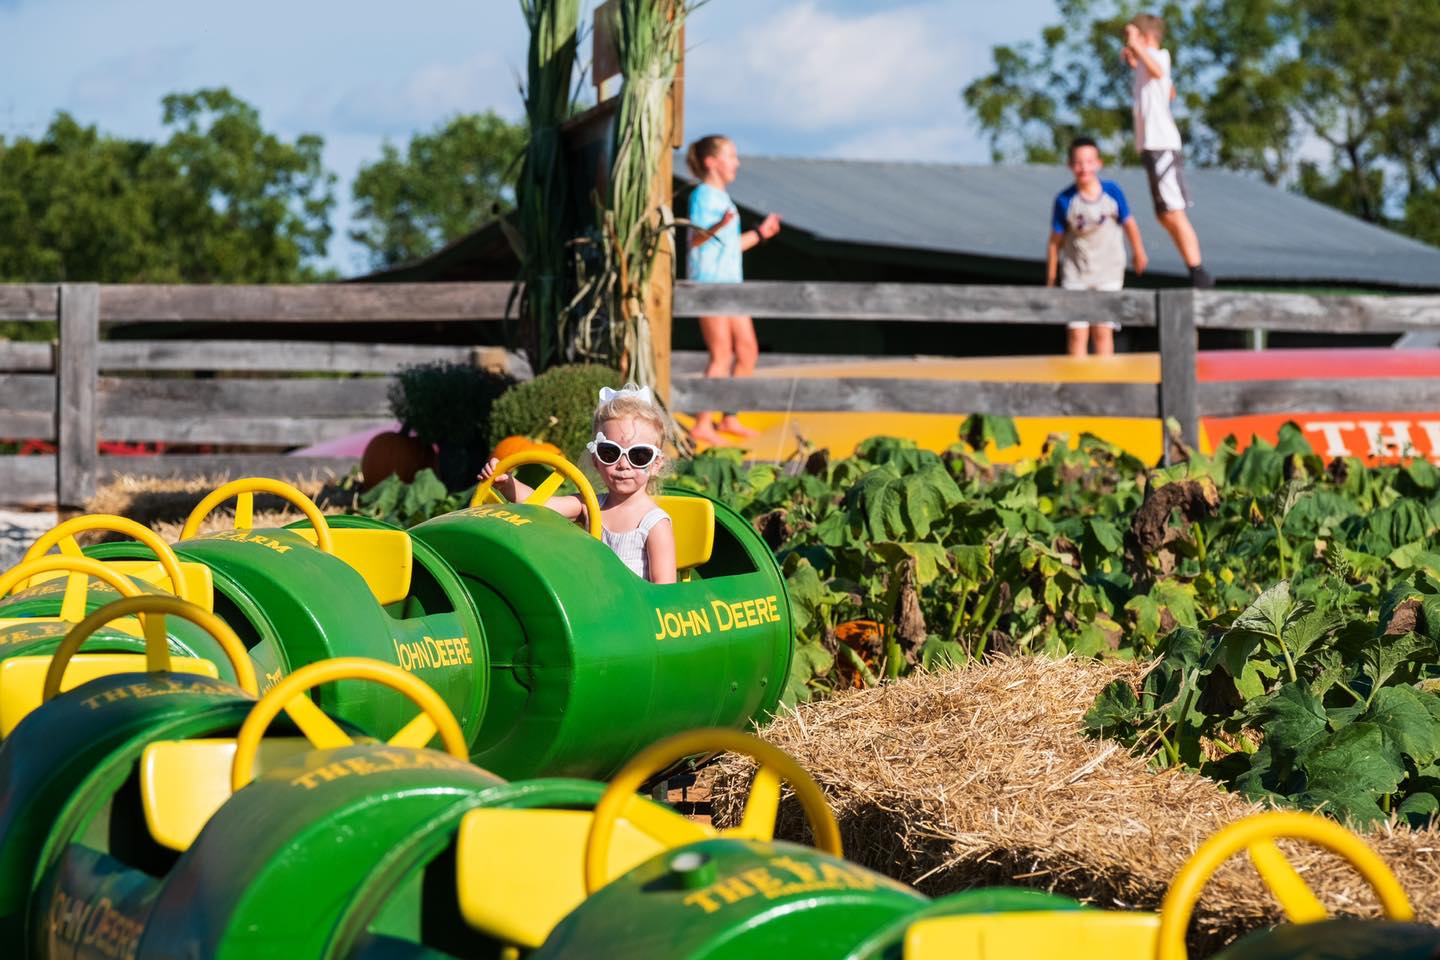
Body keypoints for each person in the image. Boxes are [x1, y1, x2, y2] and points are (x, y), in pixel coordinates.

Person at [479, 384, 677, 584]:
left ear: (655, 464)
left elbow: (664, 591)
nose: (623, 464)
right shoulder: (589, 505)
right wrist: (507, 483)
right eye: (610, 453)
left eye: (639, 455)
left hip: (633, 603)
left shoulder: (653, 523)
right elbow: (537, 503)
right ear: (596, 460)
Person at [685, 134, 781, 446]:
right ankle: (702, 424)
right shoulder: (702, 195)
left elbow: (729, 246)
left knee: (748, 349)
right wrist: (718, 225)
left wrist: (761, 234)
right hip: (710, 283)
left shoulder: (724, 200)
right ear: (711, 162)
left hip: (731, 284)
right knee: (721, 353)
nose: (736, 162)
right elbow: (696, 239)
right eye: (731, 156)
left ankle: (729, 416)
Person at [1123, 13, 1213, 288]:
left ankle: (1198, 272)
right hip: (1152, 145)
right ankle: (1194, 268)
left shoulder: (1159, 56)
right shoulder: (1147, 63)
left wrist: (1134, 43)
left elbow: (1159, 71)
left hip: (1161, 143)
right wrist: (1135, 61)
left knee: (1173, 210)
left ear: (1144, 37)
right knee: (1163, 213)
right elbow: (1168, 89)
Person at [1046, 137, 1148, 356]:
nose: (1084, 168)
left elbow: (1129, 223)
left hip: (1108, 271)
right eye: (1078, 163)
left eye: (1089, 162)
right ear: (1070, 165)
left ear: (1098, 163)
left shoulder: (1112, 192)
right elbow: (1055, 242)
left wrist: (1138, 252)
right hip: (1077, 273)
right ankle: (1077, 378)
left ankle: (1105, 378)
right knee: (1077, 334)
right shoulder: (1065, 200)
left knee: (1103, 332)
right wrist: (1052, 277)